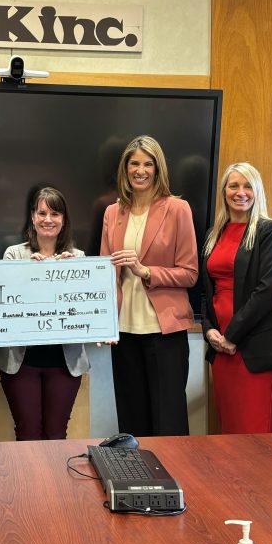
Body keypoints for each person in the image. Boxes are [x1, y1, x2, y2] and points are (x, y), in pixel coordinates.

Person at [100, 135, 198, 437]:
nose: (140, 170)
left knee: (168, 420)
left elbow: (190, 273)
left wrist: (146, 271)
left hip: (164, 332)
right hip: (124, 332)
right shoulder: (112, 212)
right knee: (132, 421)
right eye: (134, 163)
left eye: (147, 164)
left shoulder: (178, 209)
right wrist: (102, 323)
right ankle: (137, 482)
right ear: (125, 168)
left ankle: (175, 482)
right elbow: (105, 274)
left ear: (157, 169)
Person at [0, 187, 89, 440]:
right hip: (21, 363)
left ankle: (54, 482)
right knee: (27, 432)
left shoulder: (78, 259)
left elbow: (85, 312)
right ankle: (28, 482)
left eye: (55, 213)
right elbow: (2, 307)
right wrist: (27, 273)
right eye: (42, 212)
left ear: (64, 219)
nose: (48, 219)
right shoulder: (14, 254)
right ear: (33, 217)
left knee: (56, 433)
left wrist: (73, 277)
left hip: (64, 363)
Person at [201, 163, 272, 433]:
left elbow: (267, 291)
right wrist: (210, 332)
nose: (241, 192)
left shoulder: (269, 231)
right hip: (221, 349)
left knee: (254, 434)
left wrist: (232, 335)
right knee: (229, 431)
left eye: (247, 185)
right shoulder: (214, 234)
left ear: (257, 190)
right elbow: (206, 291)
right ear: (224, 191)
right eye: (233, 185)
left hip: (252, 348)